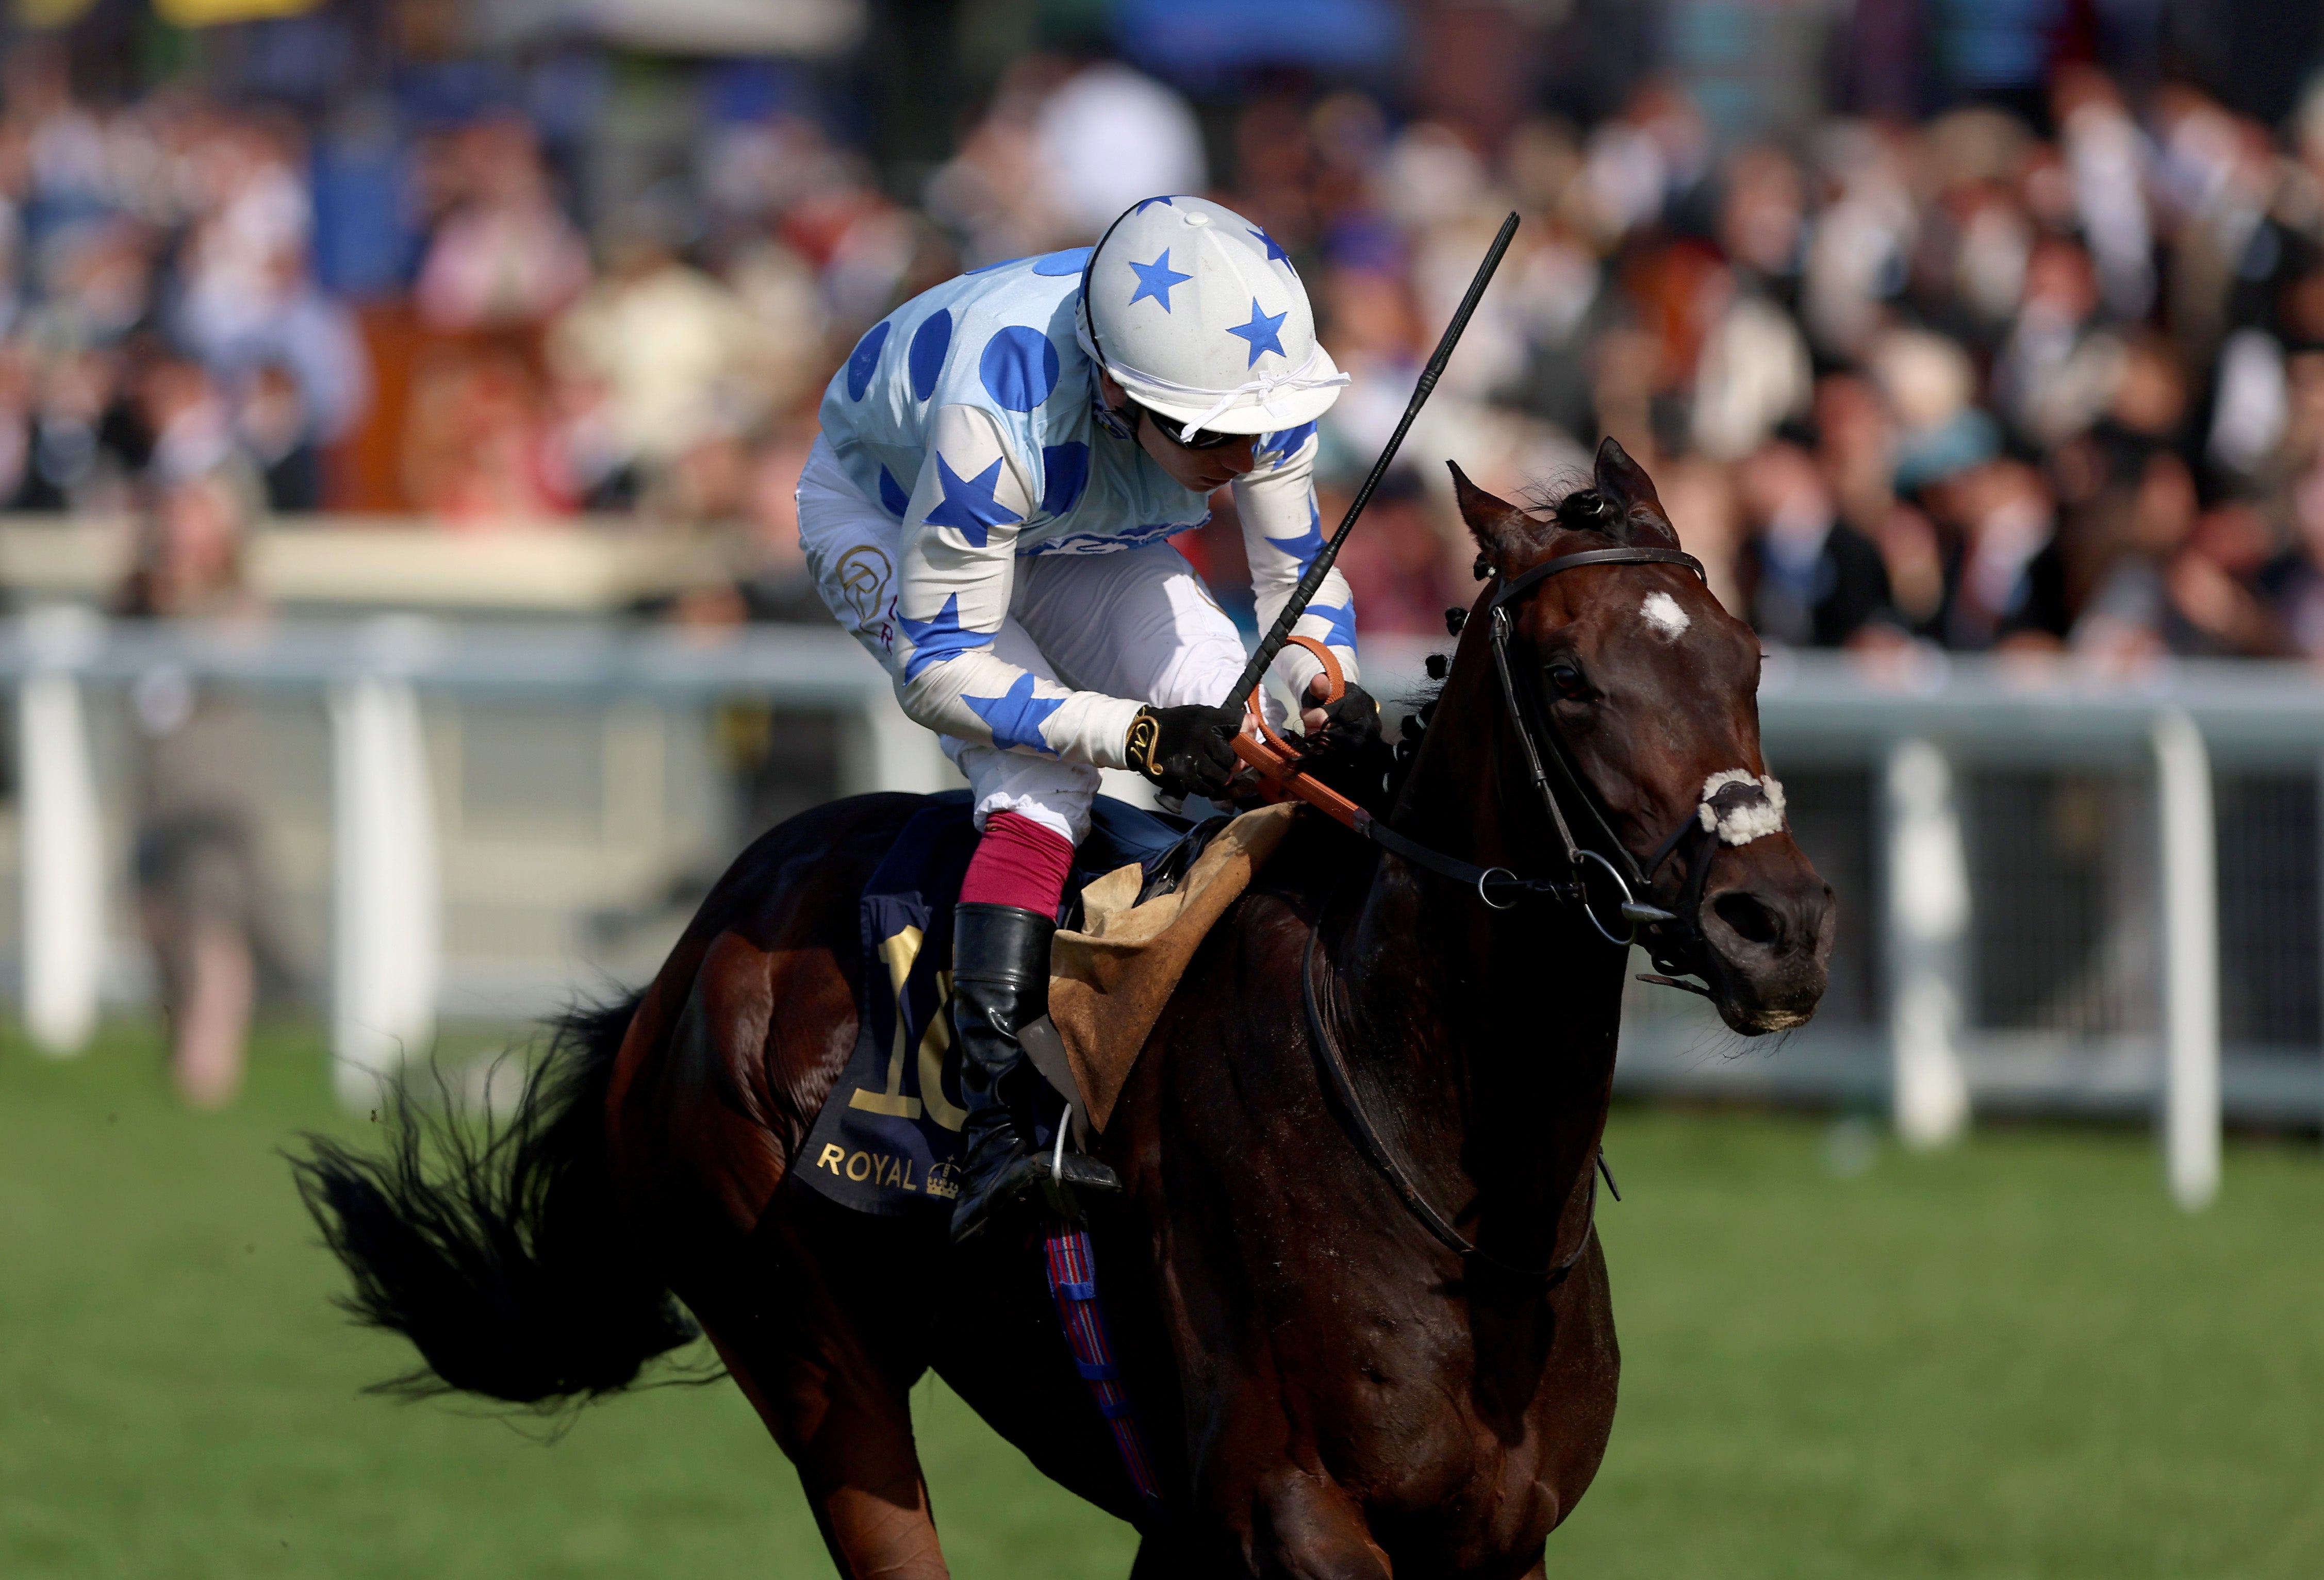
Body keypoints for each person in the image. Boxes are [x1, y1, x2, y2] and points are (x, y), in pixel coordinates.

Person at [797, 195, 1378, 1239]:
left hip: (1077, 528)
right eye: (1211, 438)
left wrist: (1321, 692)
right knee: (1042, 783)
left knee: (1244, 716)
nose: (1243, 461)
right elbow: (939, 674)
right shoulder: (1002, 402)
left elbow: (1299, 588)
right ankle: (994, 1134)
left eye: (1258, 434)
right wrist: (1136, 737)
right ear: (1116, 389)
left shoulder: (1254, 375)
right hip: (892, 520)